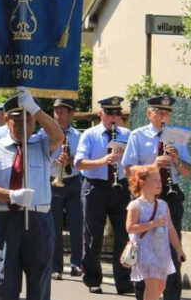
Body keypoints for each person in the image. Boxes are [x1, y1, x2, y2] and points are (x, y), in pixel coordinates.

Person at [0, 90, 64, 300]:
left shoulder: (42, 143)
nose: (24, 126)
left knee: (39, 285)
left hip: (38, 220)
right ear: (6, 120)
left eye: (29, 120)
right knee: (5, 284)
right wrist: (11, 195)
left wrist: (36, 109)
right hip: (6, 220)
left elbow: (59, 136)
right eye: (17, 120)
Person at [122, 95, 191, 300]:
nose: (164, 116)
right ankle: (143, 295)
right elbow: (128, 169)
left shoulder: (177, 136)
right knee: (143, 247)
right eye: (160, 112)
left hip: (170, 195)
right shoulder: (137, 135)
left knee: (171, 244)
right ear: (149, 114)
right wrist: (153, 166)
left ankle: (171, 296)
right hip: (146, 197)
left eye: (167, 113)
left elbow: (187, 171)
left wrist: (177, 160)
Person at [74, 96, 134, 294]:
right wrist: (103, 160)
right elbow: (80, 163)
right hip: (95, 187)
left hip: (121, 187)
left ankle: (123, 282)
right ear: (101, 114)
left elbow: (133, 161)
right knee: (93, 235)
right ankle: (93, 279)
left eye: (117, 114)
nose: (114, 117)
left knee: (123, 235)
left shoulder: (127, 134)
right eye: (109, 113)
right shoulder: (90, 135)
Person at [126, 166, 185, 300]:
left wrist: (179, 249)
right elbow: (129, 228)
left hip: (161, 252)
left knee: (160, 287)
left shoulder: (163, 204)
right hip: (144, 252)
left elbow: (170, 228)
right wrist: (152, 224)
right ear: (143, 182)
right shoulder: (135, 205)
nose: (159, 184)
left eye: (160, 180)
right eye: (155, 180)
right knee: (152, 287)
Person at [41, 98, 83, 280]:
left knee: (77, 225)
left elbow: (83, 161)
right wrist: (53, 159)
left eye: (61, 112)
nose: (57, 115)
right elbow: (39, 157)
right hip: (53, 181)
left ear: (70, 114)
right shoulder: (44, 134)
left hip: (73, 181)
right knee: (54, 226)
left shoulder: (78, 136)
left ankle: (76, 264)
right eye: (55, 111)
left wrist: (70, 160)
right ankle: (56, 266)